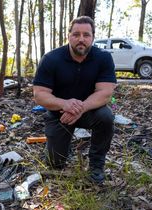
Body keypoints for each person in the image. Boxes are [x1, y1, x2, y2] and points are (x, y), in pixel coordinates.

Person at [33, 16, 116, 184]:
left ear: (93, 37)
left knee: (106, 116)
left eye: (86, 35)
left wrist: (80, 108)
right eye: (76, 34)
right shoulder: (51, 59)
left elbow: (106, 93)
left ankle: (96, 165)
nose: (81, 39)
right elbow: (39, 94)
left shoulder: (103, 58)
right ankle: (61, 146)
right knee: (54, 164)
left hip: (89, 111)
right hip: (59, 114)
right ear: (68, 36)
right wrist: (64, 104)